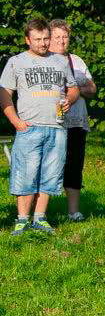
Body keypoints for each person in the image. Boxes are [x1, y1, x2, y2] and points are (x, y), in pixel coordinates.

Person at [0, 18, 78, 235]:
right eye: (38, 39)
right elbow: (4, 94)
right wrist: (15, 121)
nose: (43, 43)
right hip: (29, 127)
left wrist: (69, 100)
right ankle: (22, 219)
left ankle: (40, 218)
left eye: (46, 38)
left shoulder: (60, 61)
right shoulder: (17, 62)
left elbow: (73, 89)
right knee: (25, 174)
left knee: (50, 175)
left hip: (57, 127)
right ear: (27, 39)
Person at [48, 19, 97, 223]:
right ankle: (39, 212)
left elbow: (92, 89)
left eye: (65, 36)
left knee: (74, 165)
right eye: (57, 36)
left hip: (76, 122)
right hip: (50, 122)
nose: (62, 41)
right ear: (49, 38)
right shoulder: (44, 60)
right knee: (48, 165)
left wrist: (75, 86)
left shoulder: (76, 61)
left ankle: (73, 212)